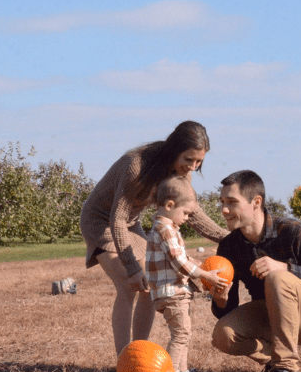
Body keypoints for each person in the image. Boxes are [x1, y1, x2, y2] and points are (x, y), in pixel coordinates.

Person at [80, 121, 229, 358]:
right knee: (130, 284)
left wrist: (229, 237)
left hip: (130, 223)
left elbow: (193, 213)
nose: (192, 166)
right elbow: (116, 220)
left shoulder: (181, 174)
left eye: (198, 161)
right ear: (174, 150)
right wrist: (131, 266)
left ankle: (139, 355)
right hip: (100, 221)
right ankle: (125, 361)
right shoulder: (136, 165)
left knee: (149, 284)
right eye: (188, 159)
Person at [209, 170, 301, 372]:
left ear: (256, 202)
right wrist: (220, 299)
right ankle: (275, 358)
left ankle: (286, 369)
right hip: (270, 315)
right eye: (222, 202)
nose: (224, 209)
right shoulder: (229, 246)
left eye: (231, 202)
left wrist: (286, 268)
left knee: (277, 277)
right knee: (223, 335)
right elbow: (227, 309)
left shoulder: (293, 231)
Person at [145, 177, 229, 372]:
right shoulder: (165, 229)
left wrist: (203, 266)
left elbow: (183, 258)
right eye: (186, 213)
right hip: (171, 292)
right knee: (181, 335)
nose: (187, 218)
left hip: (177, 292)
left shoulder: (168, 227)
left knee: (184, 333)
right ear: (170, 205)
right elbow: (179, 263)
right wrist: (205, 275)